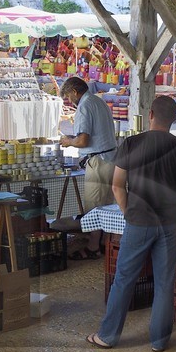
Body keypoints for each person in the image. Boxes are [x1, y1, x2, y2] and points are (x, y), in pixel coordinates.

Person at [88, 95, 176, 352]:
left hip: (139, 221)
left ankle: (108, 336)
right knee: (165, 282)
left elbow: (117, 186)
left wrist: (128, 210)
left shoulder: (132, 144)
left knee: (124, 279)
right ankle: (160, 341)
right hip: (169, 223)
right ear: (174, 118)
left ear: (150, 114)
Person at [59, 76, 118, 260]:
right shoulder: (98, 102)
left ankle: (93, 247)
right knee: (107, 206)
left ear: (75, 92)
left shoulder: (84, 106)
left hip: (98, 161)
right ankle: (102, 242)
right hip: (110, 159)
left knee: (94, 207)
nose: (69, 101)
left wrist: (68, 141)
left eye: (68, 97)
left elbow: (83, 141)